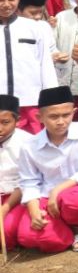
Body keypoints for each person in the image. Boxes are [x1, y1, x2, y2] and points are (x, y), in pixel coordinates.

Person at [16, 86, 78, 252]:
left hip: (77, 189)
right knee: (27, 236)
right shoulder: (29, 146)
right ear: (39, 117)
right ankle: (63, 230)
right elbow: (29, 181)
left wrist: (57, 191)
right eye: (53, 116)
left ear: (74, 112)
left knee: (73, 203)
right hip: (44, 196)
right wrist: (34, 211)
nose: (61, 121)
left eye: (66, 115)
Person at [0, 0, 58, 132]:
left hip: (29, 101)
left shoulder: (35, 28)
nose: (6, 4)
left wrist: (52, 100)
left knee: (32, 148)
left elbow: (45, 65)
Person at [0, 93, 33, 246]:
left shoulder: (27, 143)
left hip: (16, 196)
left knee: (5, 233)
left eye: (5, 122)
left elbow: (27, 181)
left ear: (17, 121)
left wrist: (5, 208)